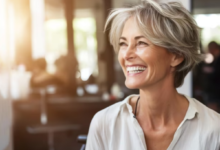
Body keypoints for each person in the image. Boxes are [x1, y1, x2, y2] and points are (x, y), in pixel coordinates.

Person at [86, 0, 220, 150]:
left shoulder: (213, 131)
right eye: (123, 43)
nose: (126, 55)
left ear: (176, 55)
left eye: (141, 43)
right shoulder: (105, 124)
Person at [202, 41, 220, 111]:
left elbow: (216, 73)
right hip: (215, 90)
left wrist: (210, 72)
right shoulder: (215, 58)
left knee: (213, 110)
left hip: (215, 90)